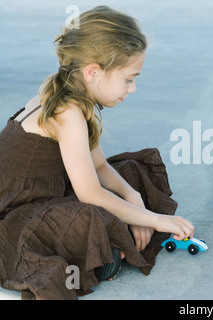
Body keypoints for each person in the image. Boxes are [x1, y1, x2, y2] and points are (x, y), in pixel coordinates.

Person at [0, 6, 194, 300]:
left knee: (133, 171)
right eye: (129, 79)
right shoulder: (67, 110)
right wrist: (154, 219)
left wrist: (134, 199)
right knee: (86, 216)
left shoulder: (76, 96)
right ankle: (105, 249)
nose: (133, 88)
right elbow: (90, 193)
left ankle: (111, 240)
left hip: (51, 190)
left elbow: (100, 166)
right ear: (93, 72)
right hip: (16, 212)